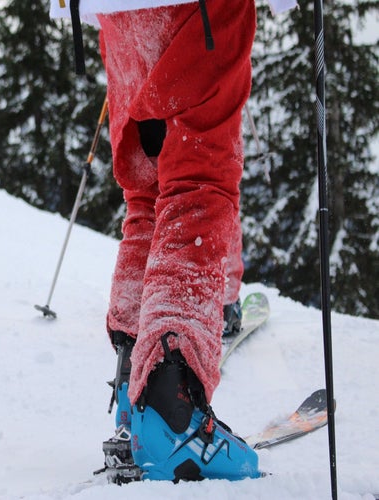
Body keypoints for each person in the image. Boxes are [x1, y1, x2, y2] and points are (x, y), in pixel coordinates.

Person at [51, 0, 295, 484]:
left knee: (149, 189)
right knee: (198, 183)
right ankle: (170, 410)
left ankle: (132, 392)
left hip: (117, 16)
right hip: (198, 9)